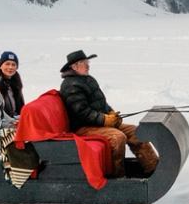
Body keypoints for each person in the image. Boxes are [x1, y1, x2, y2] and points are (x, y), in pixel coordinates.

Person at [58, 49, 158, 178]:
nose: (88, 65)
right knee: (117, 137)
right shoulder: (70, 86)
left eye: (87, 61)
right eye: (84, 62)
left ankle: (153, 168)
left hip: (98, 123)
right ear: (74, 66)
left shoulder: (88, 79)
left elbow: (101, 103)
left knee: (135, 132)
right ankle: (117, 177)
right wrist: (105, 120)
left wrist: (111, 113)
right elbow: (82, 113)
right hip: (83, 127)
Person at [0, 50, 25, 120]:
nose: (10, 67)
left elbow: (21, 106)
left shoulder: (17, 83)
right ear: (1, 66)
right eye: (7, 64)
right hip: (2, 121)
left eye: (13, 64)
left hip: (16, 119)